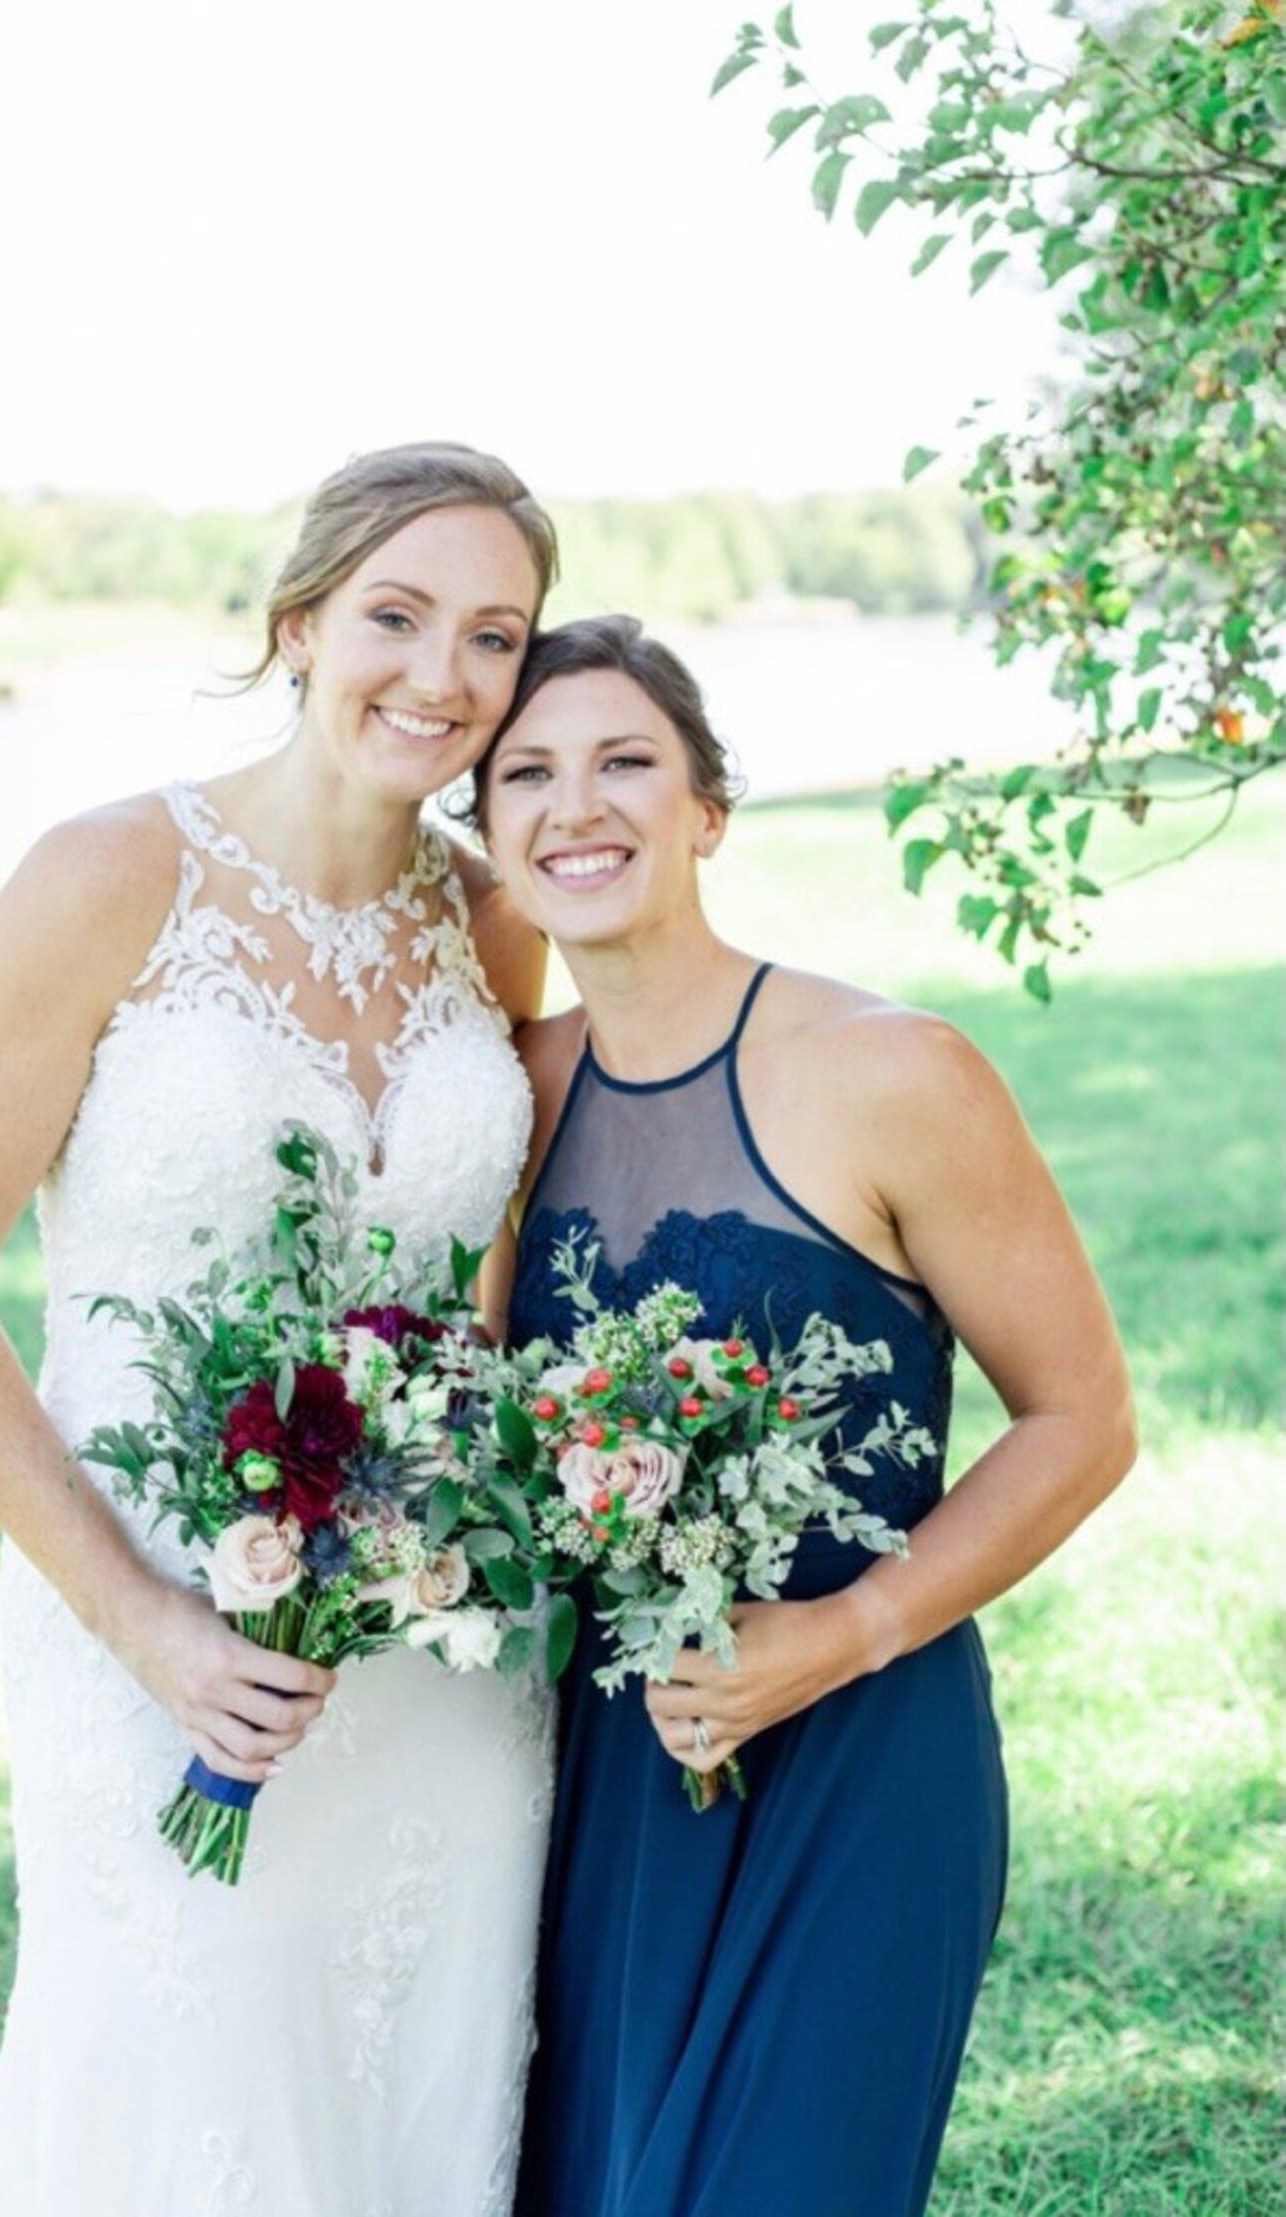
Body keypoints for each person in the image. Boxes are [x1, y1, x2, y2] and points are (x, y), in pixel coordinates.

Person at [0, 442, 561, 2215]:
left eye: (495, 636)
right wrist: (151, 1626)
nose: (441, 674)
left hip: (431, 1644)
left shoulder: (492, 921)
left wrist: (470, 1536)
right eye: (397, 616)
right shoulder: (108, 875)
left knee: (421, 2068)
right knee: (185, 2088)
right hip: (144, 1617)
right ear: (302, 620)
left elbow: (475, 1290)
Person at [471, 616, 1138, 2217]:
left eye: (627, 760)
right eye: (529, 774)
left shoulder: (895, 1070)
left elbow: (1083, 1420)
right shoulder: (503, 1097)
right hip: (603, 1780)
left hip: (859, 1755)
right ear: (487, 832)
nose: (581, 806)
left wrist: (850, 1632)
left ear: (708, 806)